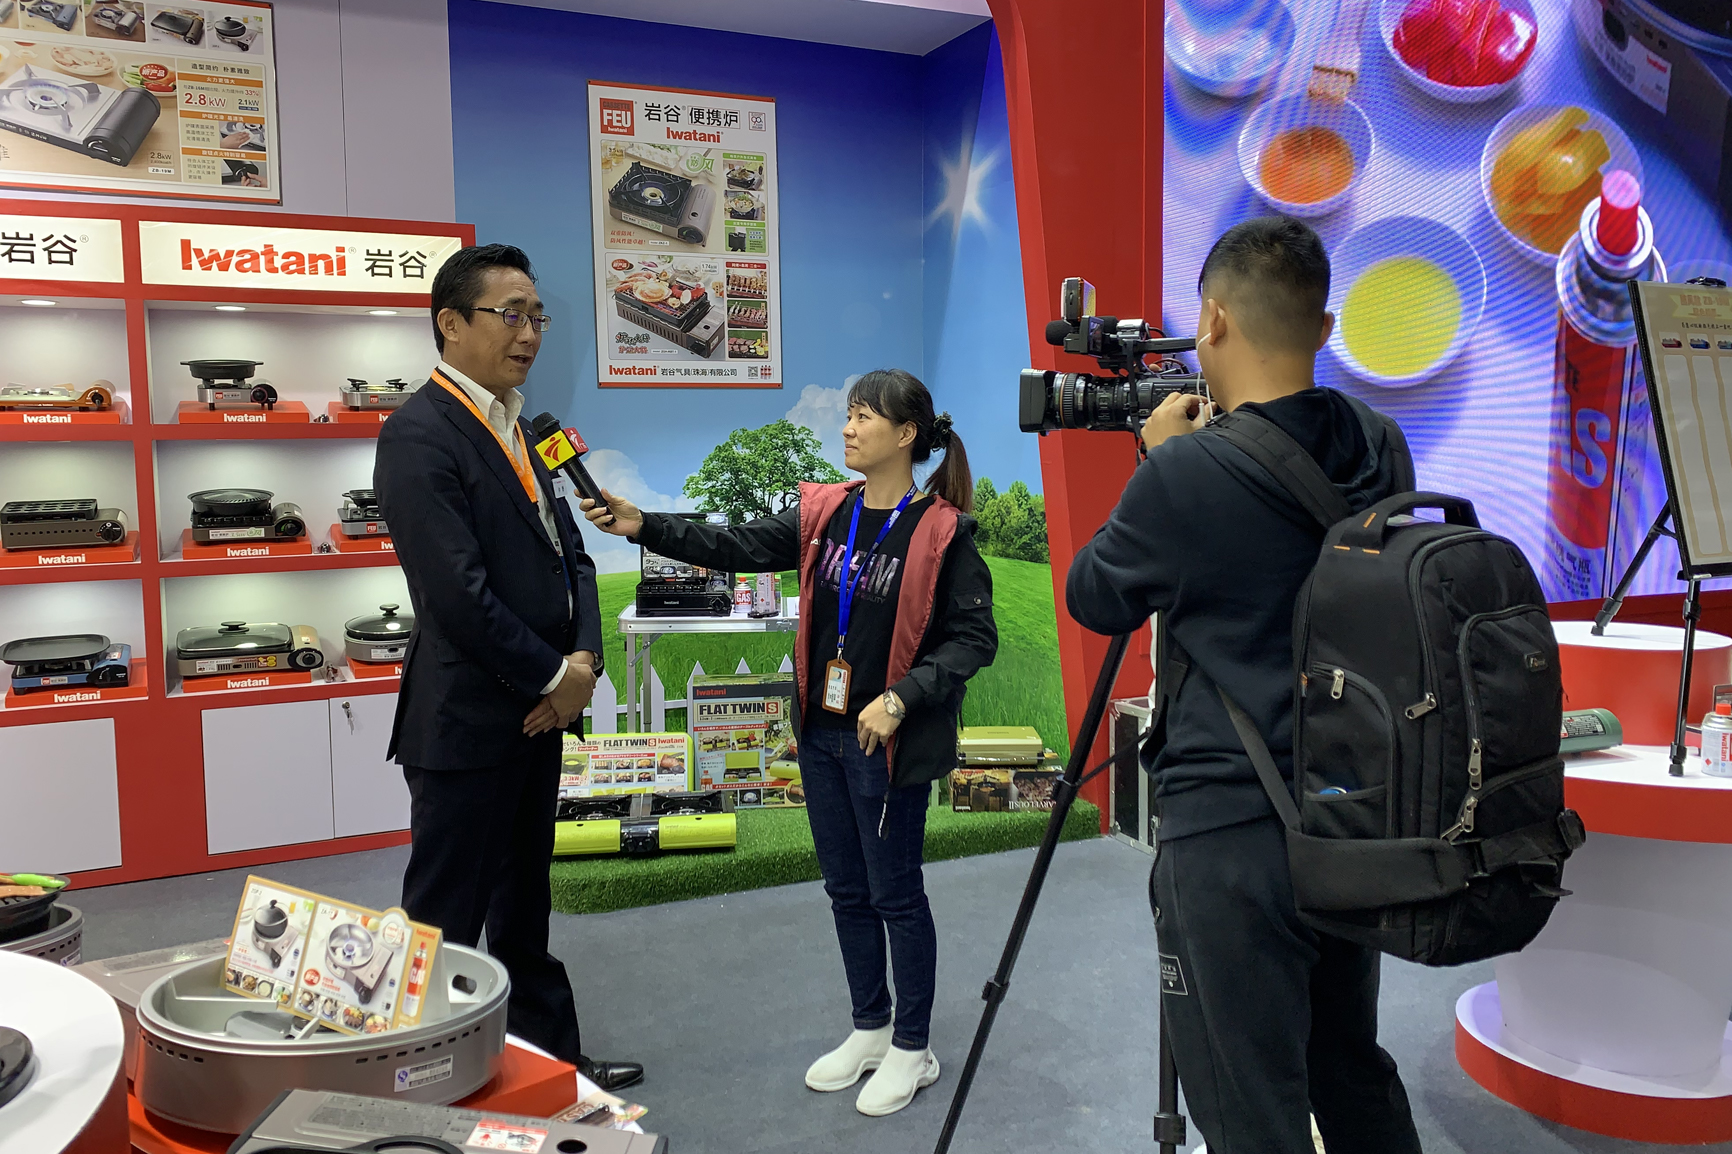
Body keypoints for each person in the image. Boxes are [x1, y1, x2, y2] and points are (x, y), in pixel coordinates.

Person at [1065, 217, 1423, 1154]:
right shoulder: (1380, 442)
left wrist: (1158, 457)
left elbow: (1094, 595)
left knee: (1248, 1107)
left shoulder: (1188, 471)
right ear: (1325, 324)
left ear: (1213, 321)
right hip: (1351, 817)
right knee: (1349, 1067)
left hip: (1230, 832)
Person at [582, 369, 997, 1117]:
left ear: (906, 434)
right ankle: (870, 1027)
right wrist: (644, 524)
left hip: (886, 744)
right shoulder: (824, 512)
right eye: (849, 413)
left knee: (896, 895)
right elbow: (733, 543)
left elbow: (973, 638)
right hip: (822, 735)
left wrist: (900, 699)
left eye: (864, 416)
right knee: (846, 891)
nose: (848, 427)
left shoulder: (943, 531)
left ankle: (913, 1046)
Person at [374, 243, 642, 1091]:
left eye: (537, 316)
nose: (529, 332)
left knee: (524, 904)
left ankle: (550, 1067)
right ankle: (421, 1082)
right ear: (451, 324)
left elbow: (576, 559)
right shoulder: (418, 434)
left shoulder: (525, 429)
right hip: (468, 719)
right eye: (510, 314)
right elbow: (455, 596)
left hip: (540, 711)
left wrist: (583, 661)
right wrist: (553, 678)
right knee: (443, 918)